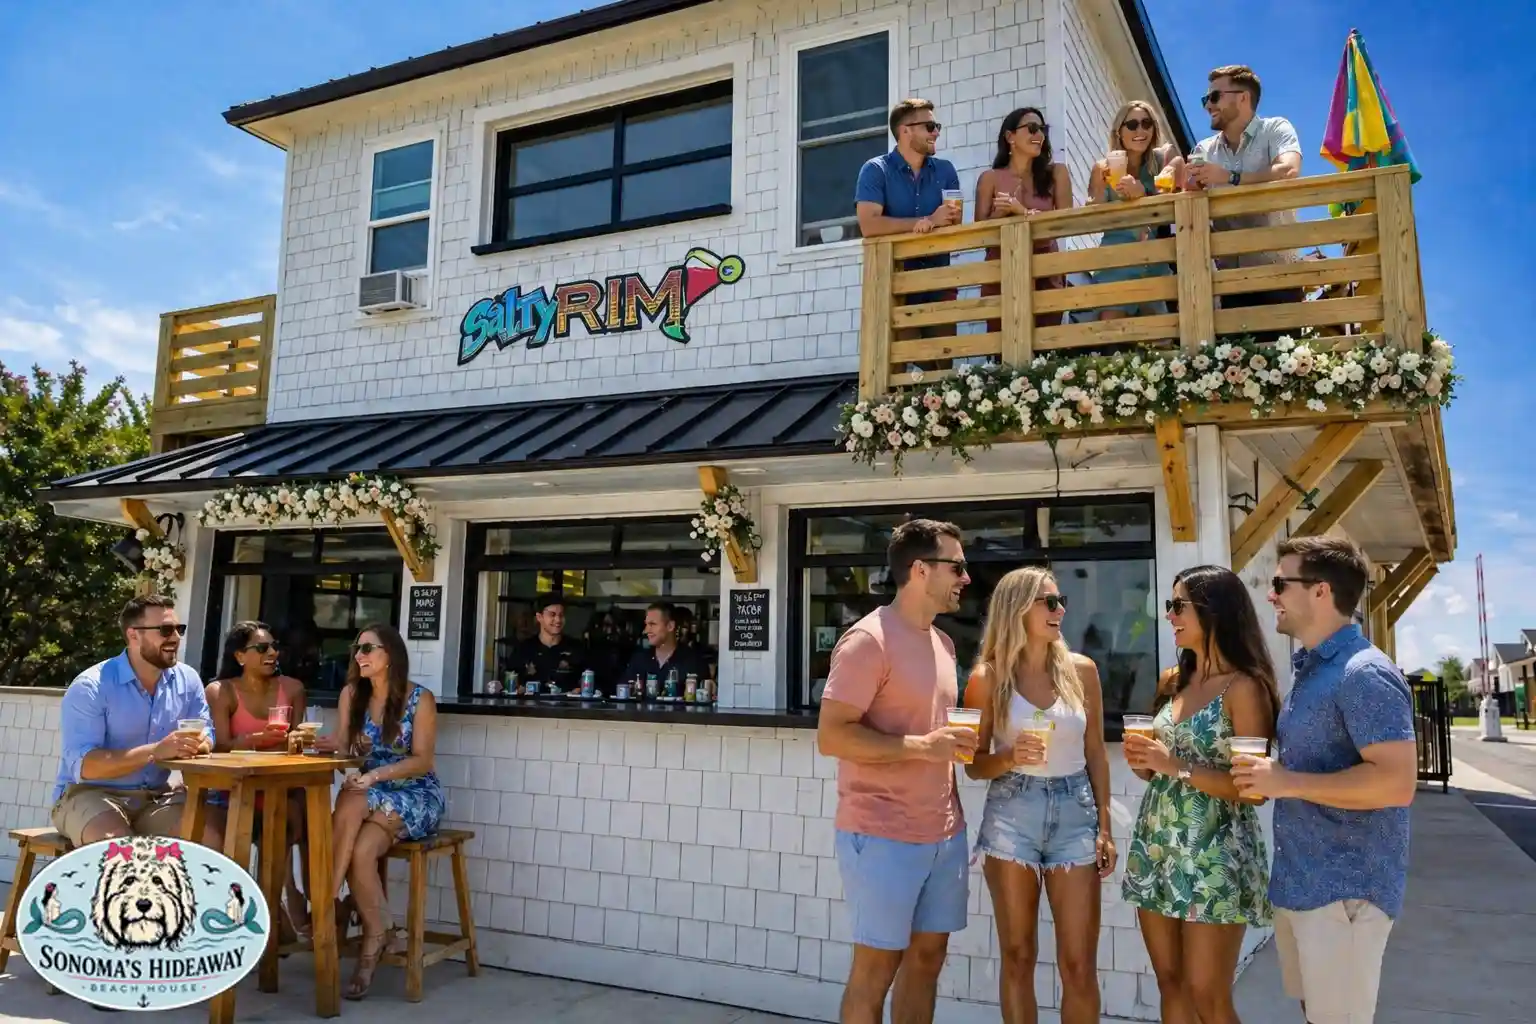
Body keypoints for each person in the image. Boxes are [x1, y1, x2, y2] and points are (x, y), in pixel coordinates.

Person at [1233, 536, 1417, 1024]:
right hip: (1303, 885)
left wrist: (1285, 781)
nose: (1270, 595)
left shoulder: (1363, 673)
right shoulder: (1314, 671)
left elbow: (1396, 783)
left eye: (1279, 584)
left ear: (1319, 591)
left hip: (1345, 894)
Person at [816, 519, 977, 1024]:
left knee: (927, 963)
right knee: (876, 971)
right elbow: (833, 736)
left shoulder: (944, 645)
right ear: (920, 569)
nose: (967, 578)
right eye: (958, 566)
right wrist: (923, 747)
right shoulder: (868, 641)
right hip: (882, 833)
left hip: (943, 835)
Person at [1121, 566, 1281, 1024]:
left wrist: (1174, 765)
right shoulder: (1172, 679)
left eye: (1177, 606)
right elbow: (1161, 773)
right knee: (1169, 984)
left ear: (1214, 613)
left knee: (1207, 995)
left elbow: (1252, 792)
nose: (1169, 615)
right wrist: (1147, 766)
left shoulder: (1244, 688)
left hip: (1215, 854)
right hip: (1158, 848)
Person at [961, 567, 1114, 1024]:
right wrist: (1008, 757)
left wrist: (1104, 826)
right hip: (1012, 811)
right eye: (1049, 602)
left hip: (1075, 810)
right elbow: (973, 764)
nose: (1060, 609)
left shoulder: (1082, 671)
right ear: (1018, 608)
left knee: (1079, 965)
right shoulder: (987, 678)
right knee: (1018, 954)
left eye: (1060, 600)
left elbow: (1096, 756)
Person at [320, 623, 445, 1000]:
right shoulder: (351, 695)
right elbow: (344, 751)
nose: (360, 655)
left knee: (354, 798)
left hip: (415, 793)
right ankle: (378, 933)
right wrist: (322, 748)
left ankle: (325, 903)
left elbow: (422, 761)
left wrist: (372, 775)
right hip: (372, 790)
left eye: (369, 648)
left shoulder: (419, 699)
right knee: (357, 833)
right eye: (357, 648)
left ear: (390, 655)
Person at [50, 594, 212, 847]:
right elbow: (85, 766)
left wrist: (197, 744)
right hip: (90, 794)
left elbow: (206, 734)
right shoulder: (91, 686)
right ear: (133, 634)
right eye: (165, 630)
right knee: (120, 851)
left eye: (179, 629)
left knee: (210, 840)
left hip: (159, 796)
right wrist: (155, 752)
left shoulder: (188, 680)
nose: (176, 638)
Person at [203, 621, 312, 940]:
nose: (273, 653)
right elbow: (220, 744)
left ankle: (288, 901)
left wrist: (304, 741)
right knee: (230, 832)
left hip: (279, 787)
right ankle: (266, 911)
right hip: (233, 789)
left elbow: (297, 743)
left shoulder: (292, 689)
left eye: (274, 647)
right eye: (262, 648)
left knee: (294, 815)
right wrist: (254, 738)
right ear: (239, 655)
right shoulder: (221, 691)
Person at [1184, 65, 1303, 339]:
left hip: (1278, 273)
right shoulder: (1204, 149)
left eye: (1214, 97)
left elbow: (1289, 170)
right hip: (1229, 282)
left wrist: (1229, 177)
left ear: (1242, 98)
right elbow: (1190, 194)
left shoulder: (1276, 128)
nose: (1207, 106)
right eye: (1205, 100)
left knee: (1285, 371)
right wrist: (1188, 183)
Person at [856, 99, 963, 347]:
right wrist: (925, 221)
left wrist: (937, 222)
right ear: (906, 130)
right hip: (895, 284)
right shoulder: (875, 170)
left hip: (939, 280)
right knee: (903, 362)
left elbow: (954, 220)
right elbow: (869, 226)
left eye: (937, 126)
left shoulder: (946, 171)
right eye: (929, 126)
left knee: (942, 363)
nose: (936, 132)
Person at [975, 107, 1072, 330]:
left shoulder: (1056, 173)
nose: (1039, 136)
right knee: (1003, 352)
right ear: (1010, 137)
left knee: (1045, 350)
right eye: (1032, 129)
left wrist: (1021, 211)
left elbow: (1066, 223)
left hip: (1046, 268)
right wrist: (999, 214)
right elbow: (979, 235)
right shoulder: (989, 178)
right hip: (1001, 270)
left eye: (1042, 130)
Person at [1086, 101, 1181, 322]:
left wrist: (1143, 195)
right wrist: (1101, 190)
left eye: (1146, 124)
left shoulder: (1162, 161)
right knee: (1112, 337)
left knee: (1160, 340)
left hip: (1154, 263)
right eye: (1132, 125)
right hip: (1115, 262)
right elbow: (1094, 216)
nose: (1140, 131)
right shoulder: (1102, 167)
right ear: (1119, 131)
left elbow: (1173, 208)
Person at [509, 597, 588, 693]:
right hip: (530, 706)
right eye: (552, 615)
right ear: (539, 617)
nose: (558, 620)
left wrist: (579, 690)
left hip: (566, 706)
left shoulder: (577, 648)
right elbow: (510, 681)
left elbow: (590, 683)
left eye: (561, 615)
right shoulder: (524, 649)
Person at [622, 602, 705, 692]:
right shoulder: (639, 660)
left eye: (652, 624)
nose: (646, 631)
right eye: (646, 625)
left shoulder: (693, 661)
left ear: (670, 626)